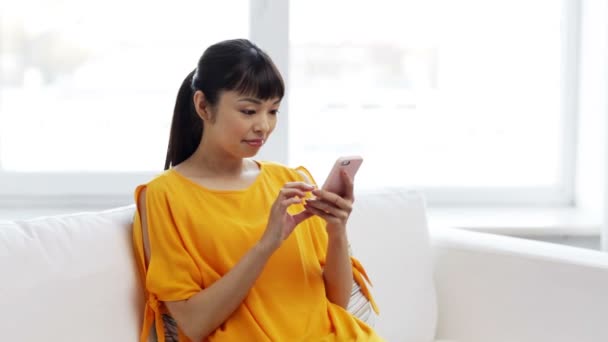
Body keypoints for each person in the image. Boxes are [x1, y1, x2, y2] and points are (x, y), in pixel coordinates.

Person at [132, 39, 381, 342]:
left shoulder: (291, 180)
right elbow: (193, 325)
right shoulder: (164, 196)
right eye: (249, 111)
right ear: (202, 106)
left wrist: (337, 229)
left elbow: (336, 303)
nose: (264, 125)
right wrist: (266, 245)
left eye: (273, 111)